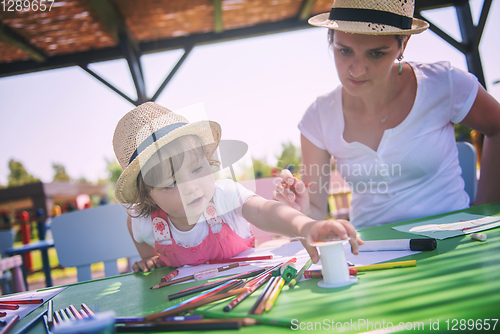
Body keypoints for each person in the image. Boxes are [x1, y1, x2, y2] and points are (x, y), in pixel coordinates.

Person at [274, 0, 500, 229]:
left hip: (455, 239)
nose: (357, 69)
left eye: (376, 54)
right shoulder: (318, 118)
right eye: (344, 51)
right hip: (372, 252)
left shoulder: (444, 84)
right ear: (331, 39)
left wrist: (487, 212)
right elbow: (315, 210)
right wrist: (297, 209)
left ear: (403, 44)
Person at [112, 102, 362, 272]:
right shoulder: (146, 223)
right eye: (172, 183)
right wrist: (150, 259)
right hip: (189, 307)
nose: (192, 187)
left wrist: (305, 225)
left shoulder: (224, 196)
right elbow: (134, 228)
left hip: (249, 291)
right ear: (148, 196)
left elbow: (264, 210)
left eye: (198, 169)